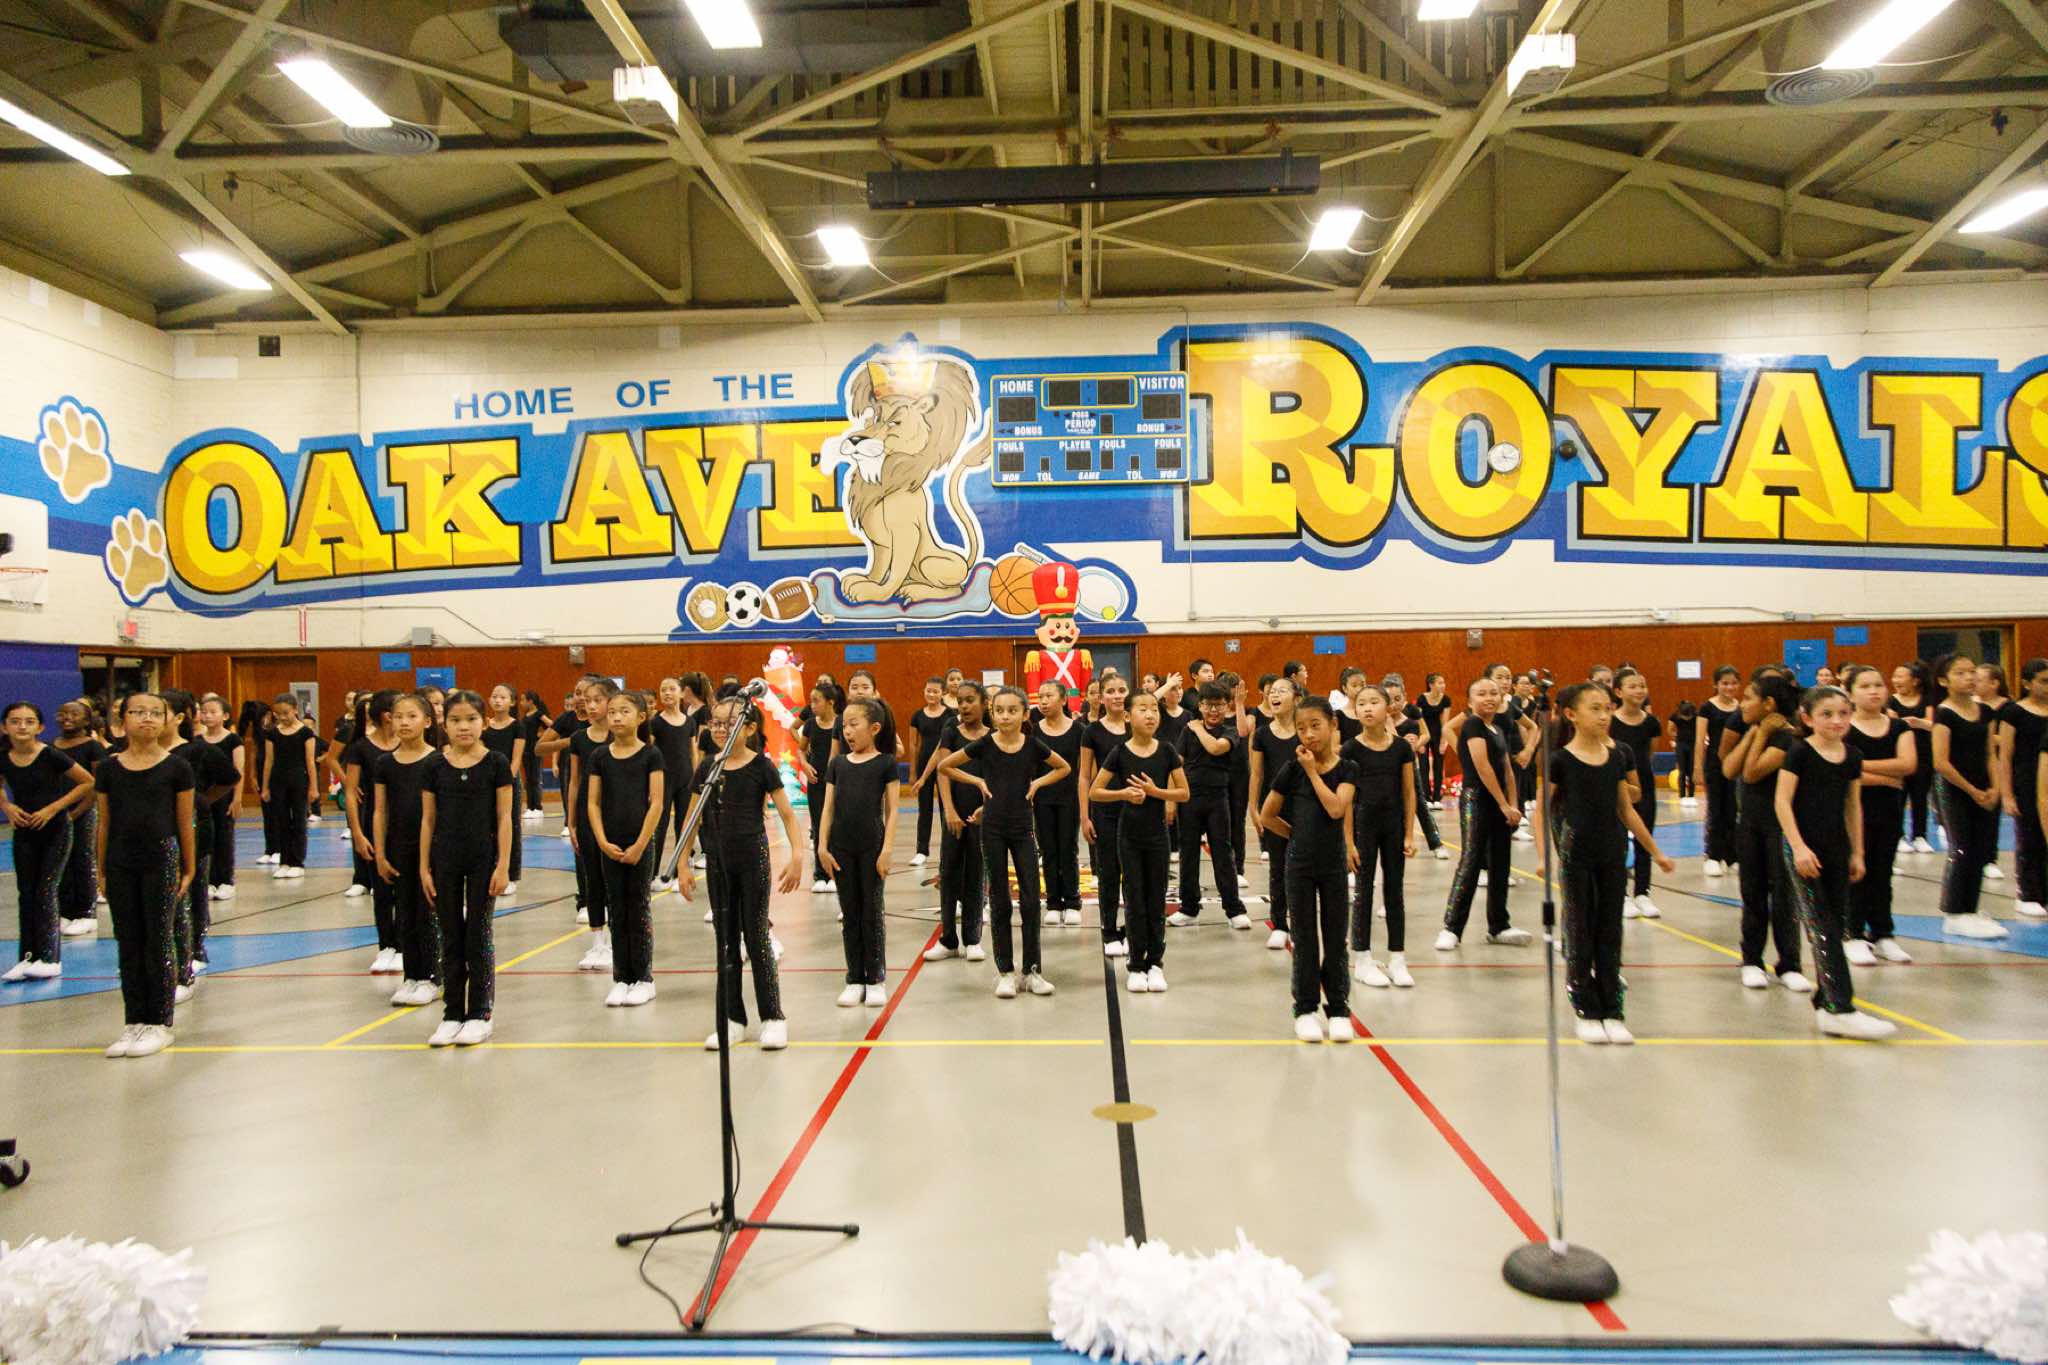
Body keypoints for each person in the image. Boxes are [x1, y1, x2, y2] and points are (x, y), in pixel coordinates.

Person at [1537, 684, 1674, 1045]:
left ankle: (1613, 1008)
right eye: (1594, 709)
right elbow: (1542, 811)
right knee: (1580, 929)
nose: (1603, 716)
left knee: (1610, 931)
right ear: (1571, 715)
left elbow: (1626, 810)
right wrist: (1543, 856)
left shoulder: (1615, 757)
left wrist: (1655, 852)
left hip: (1612, 853)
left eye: (1606, 709)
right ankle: (1585, 1007)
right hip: (1576, 853)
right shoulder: (1560, 760)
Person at [678, 697, 804, 1051]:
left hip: (752, 861)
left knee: (757, 938)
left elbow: (787, 814)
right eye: (716, 723)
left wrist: (797, 855)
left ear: (749, 729)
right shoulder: (707, 767)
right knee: (726, 943)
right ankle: (732, 1020)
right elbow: (691, 819)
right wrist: (684, 862)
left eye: (730, 723)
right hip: (718, 864)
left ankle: (773, 1017)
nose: (721, 729)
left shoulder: (761, 766)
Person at [1776, 685, 1895, 1040]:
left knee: (1836, 924)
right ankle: (1839, 1007)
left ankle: (1826, 1002)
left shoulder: (1853, 756)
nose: (1836, 721)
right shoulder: (1799, 752)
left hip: (1836, 850)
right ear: (1807, 718)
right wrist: (1798, 846)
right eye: (1826, 714)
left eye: (1843, 713)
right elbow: (1782, 802)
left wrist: (1857, 852)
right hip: (1804, 851)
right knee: (1823, 927)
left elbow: (1852, 805)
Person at [941, 686, 1068, 998]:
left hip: (1023, 829)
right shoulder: (985, 744)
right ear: (992, 713)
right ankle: (1006, 972)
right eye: (999, 710)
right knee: (999, 901)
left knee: (1031, 900)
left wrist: (1037, 783)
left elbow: (1064, 767)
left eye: (1012, 710)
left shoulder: (1032, 745)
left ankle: (1032, 971)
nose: (1005, 716)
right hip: (993, 829)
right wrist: (977, 781)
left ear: (1024, 714)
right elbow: (945, 766)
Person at [94, 694, 195, 1059]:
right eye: (137, 712)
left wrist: (189, 866)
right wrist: (100, 868)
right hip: (121, 860)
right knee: (128, 940)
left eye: (155, 713)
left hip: (161, 859)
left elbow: (184, 822)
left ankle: (159, 1022)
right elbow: (104, 823)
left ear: (167, 720)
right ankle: (134, 1020)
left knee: (157, 938)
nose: (147, 719)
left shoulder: (177, 767)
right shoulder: (108, 769)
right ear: (122, 721)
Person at [1260, 696, 1358, 1042]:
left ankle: (1339, 1008)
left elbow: (1336, 809)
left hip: (1333, 864)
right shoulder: (1291, 769)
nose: (1309, 735)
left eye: (1315, 726)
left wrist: (1314, 772)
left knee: (1335, 937)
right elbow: (1267, 816)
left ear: (1333, 725)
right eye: (1301, 729)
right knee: (1303, 939)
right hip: (1299, 864)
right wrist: (1297, 835)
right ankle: (1305, 1008)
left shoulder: (1347, 769)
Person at [419, 691, 514, 1046]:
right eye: (456, 720)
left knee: (477, 933)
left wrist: (503, 864)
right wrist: (424, 867)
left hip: (482, 859)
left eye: (471, 719)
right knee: (450, 935)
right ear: (444, 724)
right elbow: (428, 820)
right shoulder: (435, 766)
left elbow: (505, 817)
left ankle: (480, 1013)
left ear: (483, 722)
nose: (463, 727)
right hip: (445, 858)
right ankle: (452, 1013)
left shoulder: (496, 763)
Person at [1092, 692, 1187, 994]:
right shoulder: (1119, 752)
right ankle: (1136, 964)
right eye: (1142, 709)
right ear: (1128, 717)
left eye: (1154, 709)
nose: (1150, 715)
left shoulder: (1167, 750)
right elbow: (1095, 791)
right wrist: (1122, 794)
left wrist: (1156, 792)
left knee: (1156, 901)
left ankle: (1155, 963)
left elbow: (1184, 793)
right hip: (1129, 836)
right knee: (1134, 900)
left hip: (1158, 836)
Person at [1724, 671, 1811, 990]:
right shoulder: (1756, 731)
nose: (1742, 703)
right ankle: (1751, 960)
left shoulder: (1787, 738)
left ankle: (1789, 963)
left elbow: (1751, 773)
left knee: (1784, 896)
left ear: (1769, 704)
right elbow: (1729, 768)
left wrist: (1760, 735)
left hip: (1779, 827)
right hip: (1750, 824)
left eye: (1748, 698)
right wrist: (1755, 733)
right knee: (1753, 892)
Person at [1437, 677, 1535, 952]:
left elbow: (1506, 769)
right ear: (1470, 702)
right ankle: (1451, 927)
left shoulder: (1498, 729)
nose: (1489, 698)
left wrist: (1513, 804)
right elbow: (1483, 768)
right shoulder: (1473, 725)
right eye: (1481, 694)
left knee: (1501, 864)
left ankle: (1499, 925)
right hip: (1477, 801)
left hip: (1501, 803)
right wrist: (1503, 803)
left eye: (1493, 693)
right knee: (1470, 862)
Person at [1, 703, 94, 983]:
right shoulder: (4, 756)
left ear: (40, 727)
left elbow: (87, 782)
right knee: (26, 892)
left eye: (29, 721)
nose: (22, 726)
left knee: (46, 889)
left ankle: (50, 958)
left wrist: (53, 809)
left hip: (55, 830)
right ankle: (28, 957)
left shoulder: (50, 754)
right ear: (5, 727)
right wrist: (7, 806)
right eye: (15, 721)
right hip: (25, 831)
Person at [585, 689, 664, 1010]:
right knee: (616, 909)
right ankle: (622, 978)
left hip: (639, 843)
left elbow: (656, 802)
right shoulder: (599, 757)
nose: (617, 717)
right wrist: (602, 841)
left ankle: (644, 978)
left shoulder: (651, 755)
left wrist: (640, 844)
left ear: (641, 717)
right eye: (613, 712)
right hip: (610, 843)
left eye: (625, 711)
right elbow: (593, 803)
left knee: (638, 908)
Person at [819, 697, 898, 1007]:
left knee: (871, 914)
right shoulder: (837, 765)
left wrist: (887, 849)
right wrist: (822, 847)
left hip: (871, 848)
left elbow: (892, 810)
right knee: (850, 914)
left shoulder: (885, 763)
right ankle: (854, 977)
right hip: (841, 847)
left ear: (874, 728)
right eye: (844, 726)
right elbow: (828, 808)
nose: (847, 731)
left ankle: (875, 978)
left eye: (854, 724)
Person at [1341, 685, 1415, 990]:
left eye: (1374, 702)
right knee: (1364, 890)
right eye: (1362, 703)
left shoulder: (1401, 748)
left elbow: (1409, 792)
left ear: (1388, 708)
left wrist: (1409, 833)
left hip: (1393, 824)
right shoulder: (1350, 749)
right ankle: (1362, 957)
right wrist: (1348, 842)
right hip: (1363, 825)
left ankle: (1397, 957)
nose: (1368, 708)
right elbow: (1346, 801)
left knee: (1394, 891)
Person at [1841, 665, 1917, 964]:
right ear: (1850, 694)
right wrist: (1886, 775)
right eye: (1865, 686)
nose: (1874, 691)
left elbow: (1908, 764)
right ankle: (1852, 933)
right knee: (1856, 872)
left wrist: (1860, 767)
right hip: (1853, 810)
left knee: (1882, 873)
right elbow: (1841, 769)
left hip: (1889, 810)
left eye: (1878, 684)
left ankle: (1883, 933)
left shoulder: (1899, 728)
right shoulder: (1844, 728)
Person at [163, 690, 237, 992]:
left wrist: (202, 801)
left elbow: (229, 778)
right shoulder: (136, 754)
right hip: (156, 831)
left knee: (192, 889)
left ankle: (193, 949)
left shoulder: (199, 751)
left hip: (194, 828)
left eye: (158, 712)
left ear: (178, 717)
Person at [1930, 653, 2006, 938]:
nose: (1969, 677)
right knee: (1961, 848)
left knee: (1981, 849)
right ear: (1944, 681)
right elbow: (1941, 762)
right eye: (1960, 673)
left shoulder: (1985, 712)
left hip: (1984, 789)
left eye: (1972, 671)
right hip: (1954, 789)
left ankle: (1970, 910)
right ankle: (1953, 913)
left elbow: (1990, 754)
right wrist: (1972, 790)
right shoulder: (1944, 714)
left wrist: (1996, 787)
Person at [374, 694, 442, 1007]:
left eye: (411, 716)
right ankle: (412, 976)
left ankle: (432, 977)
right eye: (398, 716)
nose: (403, 722)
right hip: (398, 848)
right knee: (405, 912)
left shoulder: (437, 761)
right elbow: (380, 811)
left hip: (432, 848)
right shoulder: (385, 763)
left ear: (427, 722)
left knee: (427, 913)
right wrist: (380, 853)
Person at [1170, 682, 1248, 930]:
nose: (1213, 710)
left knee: (1223, 853)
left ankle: (1234, 910)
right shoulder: (1187, 732)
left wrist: (1197, 728)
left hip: (1217, 799)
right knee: (1188, 854)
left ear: (1226, 706)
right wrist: (1170, 800)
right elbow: (1176, 764)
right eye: (1208, 705)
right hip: (1189, 799)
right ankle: (1188, 908)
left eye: (1219, 705)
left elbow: (1215, 748)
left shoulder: (1230, 732)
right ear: (1200, 706)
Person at [924, 681, 991, 964]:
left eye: (970, 700)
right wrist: (949, 810)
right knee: (949, 873)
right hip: (954, 813)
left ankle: (973, 939)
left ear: (984, 703)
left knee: (976, 873)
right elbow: (943, 771)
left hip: (981, 815)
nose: (964, 706)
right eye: (960, 701)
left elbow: (995, 775)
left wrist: (986, 807)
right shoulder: (951, 731)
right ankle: (948, 939)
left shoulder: (992, 736)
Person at [343, 691, 402, 974]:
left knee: (405, 890)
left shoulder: (408, 745)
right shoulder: (361, 748)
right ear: (387, 716)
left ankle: (403, 946)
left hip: (405, 823)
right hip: (374, 823)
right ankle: (386, 945)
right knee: (382, 889)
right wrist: (357, 832)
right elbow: (350, 792)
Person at [1080, 675, 1132, 958]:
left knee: (1134, 873)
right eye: (1110, 691)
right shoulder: (1092, 731)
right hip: (1104, 811)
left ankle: (1133, 930)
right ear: (1100, 698)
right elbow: (1084, 776)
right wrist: (1084, 815)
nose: (1116, 695)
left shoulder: (1137, 726)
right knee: (1109, 873)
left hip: (1136, 809)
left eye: (1121, 690)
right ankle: (1109, 930)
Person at [566, 679, 618, 957]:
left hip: (616, 815)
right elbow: (575, 782)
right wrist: (571, 821)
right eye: (587, 701)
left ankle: (618, 939)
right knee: (593, 878)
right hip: (587, 815)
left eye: (598, 700)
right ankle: (598, 941)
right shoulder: (578, 739)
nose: (592, 706)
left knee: (615, 879)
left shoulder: (620, 736)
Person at [1247, 676, 1300, 950]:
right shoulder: (1262, 734)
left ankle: (1302, 925)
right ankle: (1279, 924)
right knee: (1278, 868)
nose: (1275, 696)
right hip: (1273, 810)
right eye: (1272, 692)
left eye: (1282, 691)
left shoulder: (1305, 731)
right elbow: (1257, 774)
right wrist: (1253, 808)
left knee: (1303, 869)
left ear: (1296, 698)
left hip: (1303, 808)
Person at [1607, 668, 1664, 919]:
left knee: (1644, 837)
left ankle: (1643, 892)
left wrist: (1639, 785)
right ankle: (1621, 894)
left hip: (1645, 787)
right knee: (1618, 840)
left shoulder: (1651, 723)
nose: (1639, 690)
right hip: (1617, 788)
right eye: (1632, 686)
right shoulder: (1610, 722)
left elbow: (1649, 754)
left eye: (1642, 685)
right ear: (1618, 692)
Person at [1030, 680, 1086, 928]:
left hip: (1069, 799)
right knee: (1048, 851)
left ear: (1063, 700)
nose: (1043, 701)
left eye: (1049, 696)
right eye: (1040, 697)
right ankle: (1053, 902)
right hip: (1042, 799)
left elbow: (1083, 769)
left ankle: (1072, 902)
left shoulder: (1079, 730)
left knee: (1068, 849)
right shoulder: (1034, 731)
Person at [52, 699, 107, 938]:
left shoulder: (93, 747)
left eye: (74, 714)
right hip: (58, 811)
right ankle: (65, 910)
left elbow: (97, 783)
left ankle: (86, 913)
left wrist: (79, 810)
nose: (67, 718)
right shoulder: (51, 746)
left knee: (82, 860)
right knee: (60, 861)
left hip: (83, 810)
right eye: (63, 713)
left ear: (86, 720)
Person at [2002, 658, 2048, 919]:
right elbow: (2006, 755)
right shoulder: (2014, 712)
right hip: (2026, 783)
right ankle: (2028, 893)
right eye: (2043, 681)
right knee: (2030, 839)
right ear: (2027, 683)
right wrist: (2008, 794)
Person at [260, 693, 316, 880]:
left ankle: (297, 862)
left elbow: (310, 761)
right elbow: (269, 761)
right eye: (278, 714)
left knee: (299, 821)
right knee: (281, 822)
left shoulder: (305, 733)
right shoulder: (273, 734)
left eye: (286, 713)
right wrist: (265, 787)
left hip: (298, 781)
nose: (282, 717)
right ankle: (284, 861)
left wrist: (313, 787)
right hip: (278, 781)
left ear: (295, 710)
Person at [480, 684, 526, 899]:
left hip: (509, 783)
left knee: (511, 826)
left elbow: (516, 759)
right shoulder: (484, 727)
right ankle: (490, 868)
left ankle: (511, 874)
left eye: (503, 697)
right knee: (489, 826)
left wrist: (507, 781)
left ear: (512, 702)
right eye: (494, 696)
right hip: (486, 783)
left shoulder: (518, 726)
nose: (497, 700)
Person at [196, 695, 243, 903]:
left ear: (225, 716)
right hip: (203, 796)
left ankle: (226, 881)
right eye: (204, 712)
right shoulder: (198, 741)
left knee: (224, 837)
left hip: (225, 796)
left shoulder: (233, 740)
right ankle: (209, 881)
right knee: (206, 837)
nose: (207, 716)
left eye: (213, 712)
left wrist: (237, 799)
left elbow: (238, 771)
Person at [1698, 666, 1744, 876]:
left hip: (1735, 767)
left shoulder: (1740, 708)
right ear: (1715, 684)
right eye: (1725, 683)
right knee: (1716, 810)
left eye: (1734, 683)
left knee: (1732, 810)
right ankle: (1713, 855)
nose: (1729, 687)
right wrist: (1697, 767)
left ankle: (1732, 855)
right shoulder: (1707, 707)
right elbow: (1700, 740)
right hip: (1715, 766)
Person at [1888, 662, 1937, 853]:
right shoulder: (1892, 701)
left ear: (1915, 681)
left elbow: (1932, 724)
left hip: (1923, 755)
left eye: (1901, 676)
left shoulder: (1926, 700)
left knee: (1920, 797)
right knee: (1898, 798)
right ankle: (1898, 836)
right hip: (1899, 756)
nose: (1896, 680)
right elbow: (1892, 724)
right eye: (1895, 676)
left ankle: (1919, 836)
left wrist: (1918, 722)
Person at [799, 681, 841, 893]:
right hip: (816, 782)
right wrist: (805, 765)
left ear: (830, 702)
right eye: (811, 701)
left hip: (837, 782)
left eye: (816, 701)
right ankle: (820, 874)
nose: (812, 705)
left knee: (836, 827)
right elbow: (801, 749)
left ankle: (836, 873)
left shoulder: (841, 723)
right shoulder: (810, 724)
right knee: (818, 826)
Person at [906, 678, 949, 868]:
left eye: (935, 691)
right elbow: (913, 744)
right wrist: (913, 771)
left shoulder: (950, 715)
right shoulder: (917, 716)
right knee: (924, 809)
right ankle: (921, 851)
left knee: (946, 807)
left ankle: (947, 850)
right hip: (924, 764)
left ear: (943, 693)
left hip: (944, 764)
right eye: (928, 691)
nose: (931, 694)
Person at [1414, 674, 1451, 808]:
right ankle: (1426, 797)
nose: (1443, 685)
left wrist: (1443, 741)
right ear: (1431, 685)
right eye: (1439, 683)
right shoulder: (1422, 699)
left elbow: (1445, 722)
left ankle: (1437, 798)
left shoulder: (1445, 700)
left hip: (1437, 734)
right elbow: (1417, 720)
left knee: (1438, 765)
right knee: (1424, 765)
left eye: (1443, 682)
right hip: (1424, 734)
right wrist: (1420, 740)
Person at [519, 690, 549, 820]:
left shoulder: (538, 714)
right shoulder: (526, 715)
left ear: (530, 701)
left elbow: (552, 725)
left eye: (523, 700)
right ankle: (530, 807)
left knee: (535, 779)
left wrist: (541, 735)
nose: (521, 703)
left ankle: (538, 807)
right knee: (529, 779)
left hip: (535, 750)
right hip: (525, 751)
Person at [1671, 700, 1700, 808]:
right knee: (1682, 771)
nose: (1687, 719)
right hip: (1681, 745)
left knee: (1691, 770)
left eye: (1689, 717)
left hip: (1693, 745)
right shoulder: (1675, 716)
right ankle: (1682, 795)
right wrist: (1676, 739)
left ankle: (1691, 795)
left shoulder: (1697, 716)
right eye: (1684, 717)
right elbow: (1670, 729)